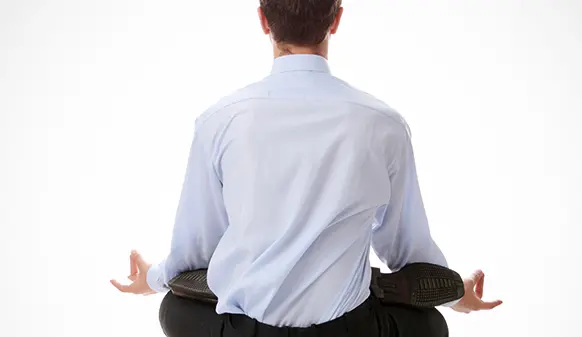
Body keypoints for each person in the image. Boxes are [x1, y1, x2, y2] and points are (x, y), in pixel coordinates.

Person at [111, 1, 503, 336]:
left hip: (247, 330)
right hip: (348, 330)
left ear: (263, 20)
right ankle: (363, 285)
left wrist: (149, 279)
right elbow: (407, 247)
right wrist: (457, 294)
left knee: (173, 310)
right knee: (431, 325)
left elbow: (194, 250)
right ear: (336, 20)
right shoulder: (382, 123)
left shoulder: (219, 121)